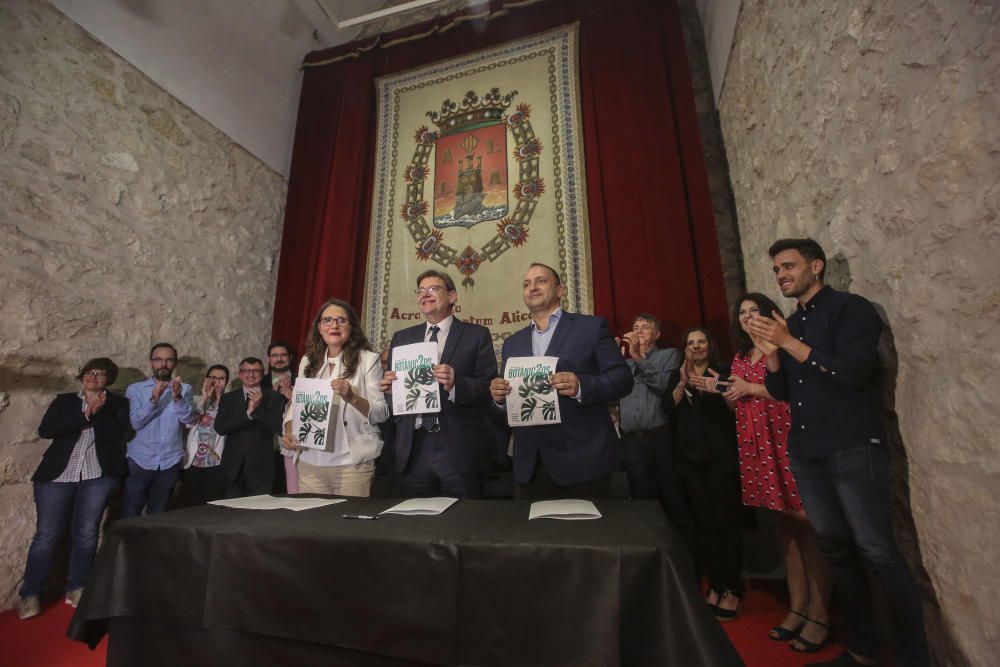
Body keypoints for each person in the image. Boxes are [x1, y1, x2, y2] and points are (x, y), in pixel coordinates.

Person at [748, 238, 929, 667]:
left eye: (789, 266)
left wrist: (787, 343)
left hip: (851, 445)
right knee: (836, 550)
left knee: (877, 552)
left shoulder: (852, 310)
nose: (781, 276)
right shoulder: (792, 323)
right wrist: (773, 355)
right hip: (807, 452)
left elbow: (854, 372)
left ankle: (913, 658)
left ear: (817, 266)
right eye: (776, 270)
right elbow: (782, 392)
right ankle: (863, 649)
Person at [696, 293, 832, 651]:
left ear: (769, 313)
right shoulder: (741, 355)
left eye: (753, 311)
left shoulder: (786, 345)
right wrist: (721, 389)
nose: (746, 317)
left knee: (808, 525)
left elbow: (791, 392)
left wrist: (751, 387)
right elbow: (734, 403)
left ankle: (820, 612)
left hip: (785, 438)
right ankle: (797, 606)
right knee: (784, 527)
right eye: (741, 313)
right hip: (756, 444)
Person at [490, 262, 633, 499]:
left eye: (540, 281)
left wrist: (581, 386)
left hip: (583, 461)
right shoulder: (512, 343)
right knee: (532, 537)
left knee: (585, 536)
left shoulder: (591, 327)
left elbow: (622, 379)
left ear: (560, 290)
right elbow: (508, 407)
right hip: (530, 465)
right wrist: (499, 399)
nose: (532, 287)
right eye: (526, 284)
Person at [18, 358, 130, 619]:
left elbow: (117, 435)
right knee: (46, 535)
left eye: (101, 374)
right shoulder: (65, 401)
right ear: (82, 375)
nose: (93, 377)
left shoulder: (118, 404)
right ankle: (30, 594)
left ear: (109, 379)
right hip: (57, 476)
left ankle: (78, 586)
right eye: (90, 372)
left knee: (87, 533)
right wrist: (86, 413)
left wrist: (100, 411)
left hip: (97, 476)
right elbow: (47, 430)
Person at [378, 270, 497, 498]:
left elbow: (488, 388)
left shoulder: (476, 335)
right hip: (414, 446)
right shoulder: (402, 339)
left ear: (452, 296)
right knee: (415, 524)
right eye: (421, 291)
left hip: (458, 446)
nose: (425, 294)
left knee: (461, 522)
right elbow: (395, 399)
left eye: (433, 289)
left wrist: (456, 385)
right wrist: (390, 391)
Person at [669, 327, 744, 621]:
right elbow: (668, 407)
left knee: (726, 524)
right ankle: (713, 584)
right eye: (691, 342)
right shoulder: (679, 374)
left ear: (710, 345)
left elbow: (736, 409)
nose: (696, 346)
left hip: (720, 460)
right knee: (703, 525)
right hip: (690, 461)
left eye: (701, 341)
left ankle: (732, 588)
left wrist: (719, 387)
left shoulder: (724, 370)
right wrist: (682, 383)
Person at [281, 299, 388, 497]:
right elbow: (297, 403)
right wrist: (289, 429)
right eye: (327, 320)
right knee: (314, 525)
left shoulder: (368, 360)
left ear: (352, 327)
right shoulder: (307, 360)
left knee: (347, 526)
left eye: (341, 320)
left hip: (352, 464)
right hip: (310, 462)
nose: (334, 325)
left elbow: (381, 412)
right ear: (319, 328)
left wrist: (352, 397)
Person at [123, 343, 195, 518]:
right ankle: (127, 546)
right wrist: (153, 400)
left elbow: (188, 420)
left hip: (170, 460)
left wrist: (177, 398)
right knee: (130, 513)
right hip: (140, 459)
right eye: (158, 359)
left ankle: (152, 546)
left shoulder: (185, 389)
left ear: (175, 363)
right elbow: (135, 423)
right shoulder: (136, 389)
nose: (163, 364)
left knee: (159, 513)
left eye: (169, 360)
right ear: (151, 362)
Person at [617, 313, 681, 501]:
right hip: (631, 440)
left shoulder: (668, 355)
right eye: (635, 328)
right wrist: (612, 363)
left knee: (670, 490)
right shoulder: (625, 364)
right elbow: (613, 396)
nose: (638, 331)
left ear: (657, 334)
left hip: (659, 436)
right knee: (640, 494)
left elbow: (663, 386)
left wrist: (638, 357)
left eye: (644, 327)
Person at [215, 357, 285, 498]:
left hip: (261, 467)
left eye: (256, 371)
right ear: (240, 374)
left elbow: (275, 427)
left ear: (263, 373)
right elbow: (220, 428)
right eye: (247, 371)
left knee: (259, 514)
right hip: (233, 467)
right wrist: (248, 414)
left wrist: (258, 408)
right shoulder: (229, 398)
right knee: (232, 512)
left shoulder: (274, 397)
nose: (251, 374)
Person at [180, 364, 229, 506]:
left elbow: (225, 425)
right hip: (194, 460)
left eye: (221, 379)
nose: (217, 382)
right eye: (213, 378)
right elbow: (189, 422)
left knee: (213, 504)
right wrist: (204, 398)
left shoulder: (229, 402)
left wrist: (219, 401)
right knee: (191, 503)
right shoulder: (195, 399)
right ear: (206, 380)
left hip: (216, 461)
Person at [262, 341, 295, 494]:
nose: (279, 359)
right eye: (274, 355)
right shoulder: (259, 383)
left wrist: (292, 398)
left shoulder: (303, 380)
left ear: (291, 358)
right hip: (266, 448)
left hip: (295, 447)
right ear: (269, 359)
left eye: (283, 355)